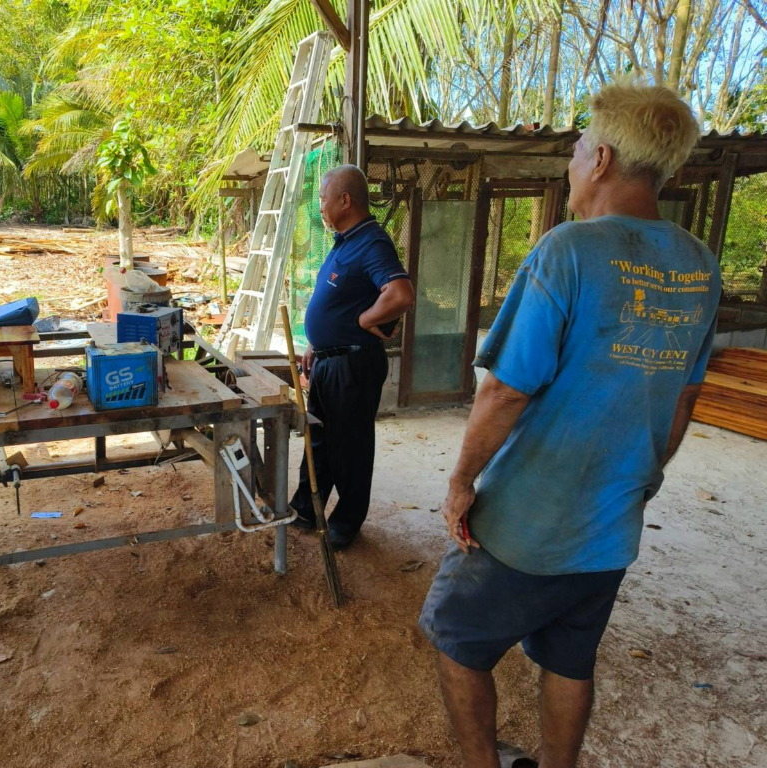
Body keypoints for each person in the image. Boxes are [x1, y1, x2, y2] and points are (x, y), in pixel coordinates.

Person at [418, 80, 720, 768]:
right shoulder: (699, 266)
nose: (573, 163)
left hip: (530, 517)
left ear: (603, 160)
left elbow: (504, 391)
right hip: (610, 526)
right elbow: (684, 398)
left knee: (456, 636)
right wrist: (643, 479)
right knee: (570, 659)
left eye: (579, 149)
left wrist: (461, 483)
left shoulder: (569, 251)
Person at [290, 165, 415, 549]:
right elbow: (338, 301)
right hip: (330, 361)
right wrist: (316, 343)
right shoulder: (345, 241)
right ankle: (306, 508)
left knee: (349, 447)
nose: (320, 207)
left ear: (345, 200)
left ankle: (346, 522)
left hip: (353, 364)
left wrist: (365, 319)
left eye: (323, 198)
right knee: (318, 440)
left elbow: (400, 294)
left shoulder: (372, 242)